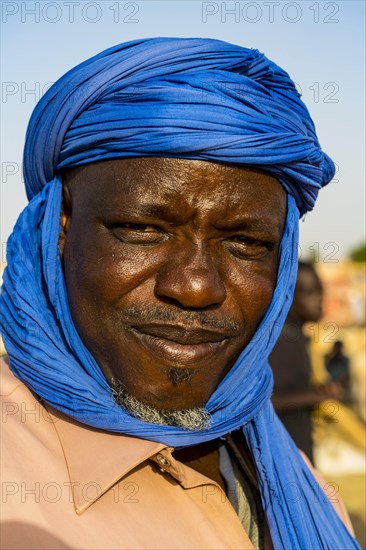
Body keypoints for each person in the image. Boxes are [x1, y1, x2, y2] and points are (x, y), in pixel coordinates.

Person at [0, 38, 360, 550]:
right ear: (59, 228)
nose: (195, 287)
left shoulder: (287, 474)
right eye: (142, 229)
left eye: (247, 243)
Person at [269, 261, 343, 462]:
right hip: (285, 456)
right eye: (310, 293)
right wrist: (315, 396)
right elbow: (266, 401)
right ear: (289, 295)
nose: (319, 300)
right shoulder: (284, 337)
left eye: (320, 292)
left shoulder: (294, 333)